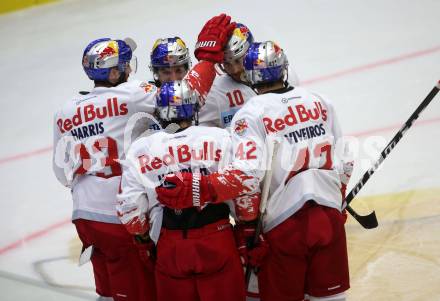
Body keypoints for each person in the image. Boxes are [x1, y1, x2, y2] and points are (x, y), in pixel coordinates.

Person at [155, 41, 352, 301]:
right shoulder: (319, 101)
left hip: (284, 222)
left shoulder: (251, 113)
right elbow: (345, 161)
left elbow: (247, 177)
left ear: (249, 75)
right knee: (330, 298)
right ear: (283, 69)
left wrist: (200, 187)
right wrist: (336, 199)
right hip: (329, 216)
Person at [53, 37, 157, 301]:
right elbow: (181, 96)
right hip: (119, 213)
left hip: (84, 214)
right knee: (136, 289)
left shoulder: (65, 111)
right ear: (113, 72)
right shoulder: (132, 95)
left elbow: (61, 171)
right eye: (124, 66)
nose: (129, 70)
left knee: (108, 287)